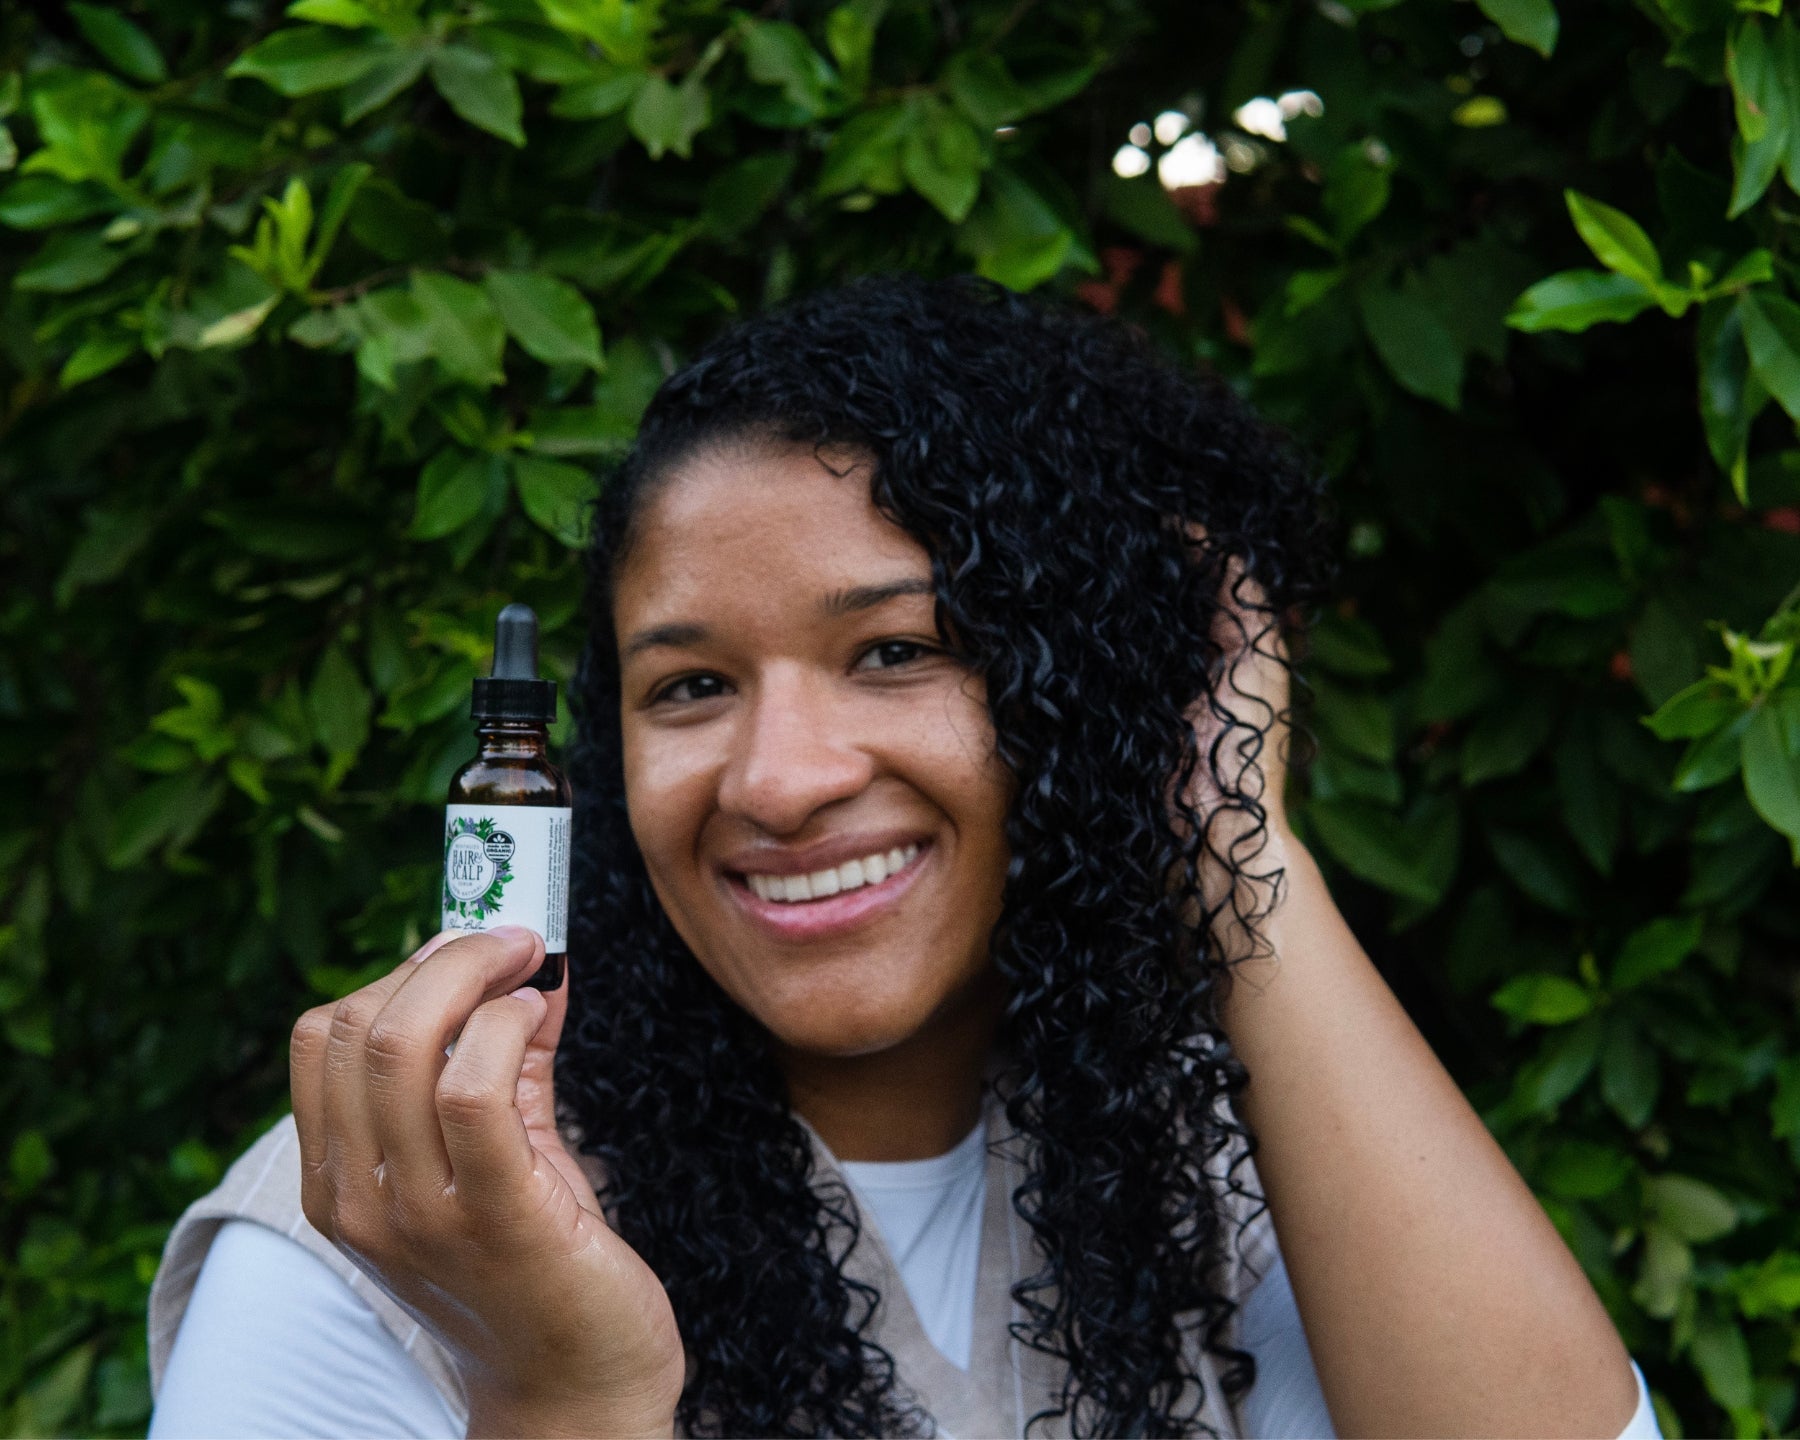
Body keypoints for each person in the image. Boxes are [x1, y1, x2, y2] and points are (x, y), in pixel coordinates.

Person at [148, 275, 1662, 1439]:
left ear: (1077, 694)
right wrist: (566, 1395)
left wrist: (1232, 837)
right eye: (689, 685)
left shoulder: (1198, 1162)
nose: (783, 779)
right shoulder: (391, 1215)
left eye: (894, 651)